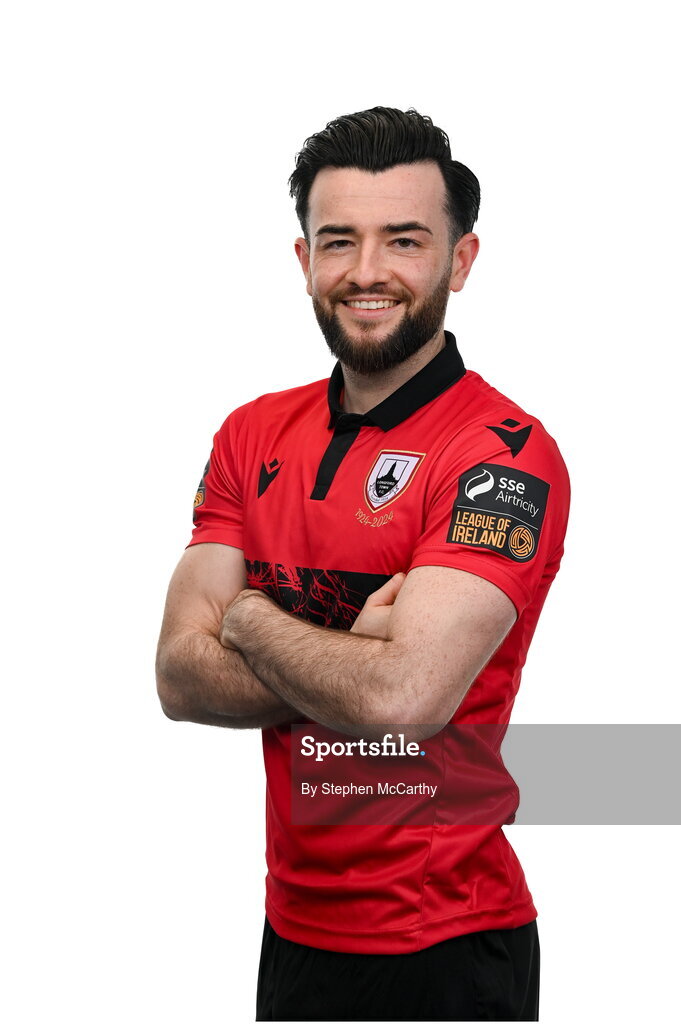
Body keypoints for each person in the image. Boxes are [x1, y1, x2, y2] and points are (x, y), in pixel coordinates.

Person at [156, 106, 570, 1021]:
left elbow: (401, 703)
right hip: (292, 930)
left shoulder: (501, 455)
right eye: (338, 240)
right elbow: (179, 679)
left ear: (459, 262)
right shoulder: (250, 432)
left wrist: (252, 619)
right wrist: (360, 645)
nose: (368, 272)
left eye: (405, 240)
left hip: (451, 942)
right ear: (304, 260)